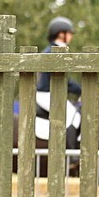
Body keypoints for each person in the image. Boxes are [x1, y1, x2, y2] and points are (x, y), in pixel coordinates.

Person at [36, 16, 82, 149]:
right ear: (61, 34)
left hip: (49, 93)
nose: (71, 37)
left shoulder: (54, 49)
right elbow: (63, 81)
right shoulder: (53, 51)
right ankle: (71, 154)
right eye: (69, 34)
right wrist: (80, 89)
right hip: (47, 94)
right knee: (73, 116)